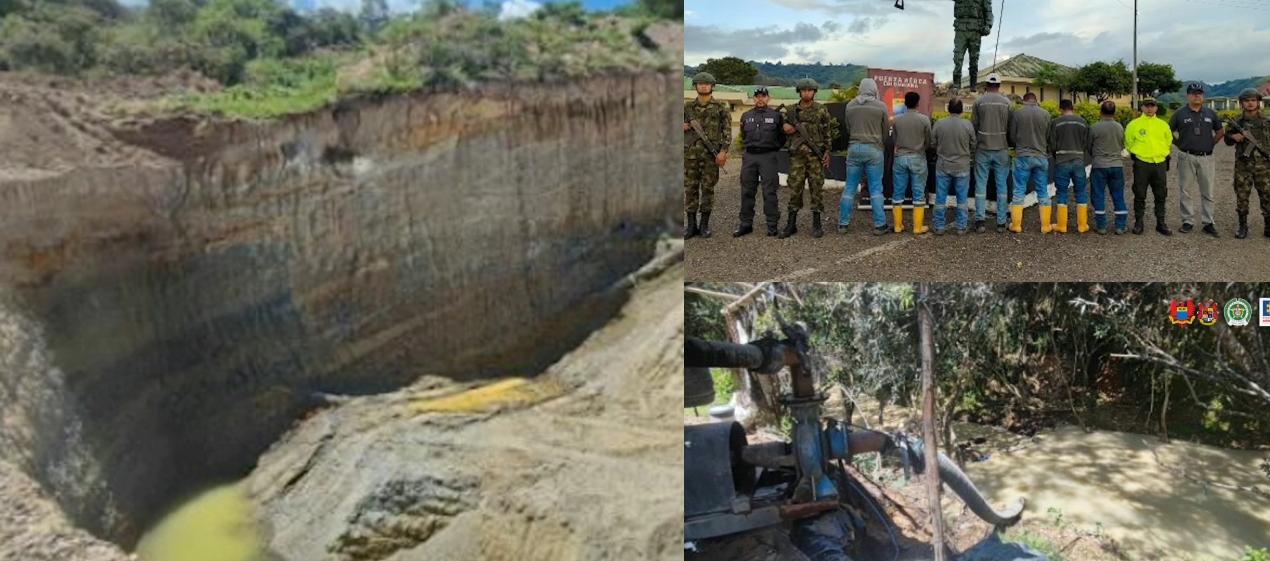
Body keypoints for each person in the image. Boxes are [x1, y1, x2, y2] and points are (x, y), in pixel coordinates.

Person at [780, 79, 833, 239]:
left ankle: (817, 224)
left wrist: (827, 151)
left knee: (816, 189)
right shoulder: (791, 110)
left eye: (810, 90)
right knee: (795, 188)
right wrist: (784, 127)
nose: (807, 93)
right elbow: (781, 127)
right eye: (804, 90)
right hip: (797, 157)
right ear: (799, 92)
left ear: (814, 92)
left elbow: (827, 133)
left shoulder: (821, 110)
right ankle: (791, 224)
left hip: (815, 157)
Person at [1169, 82, 1224, 236]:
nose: (1197, 96)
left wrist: (1211, 143)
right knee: (1186, 190)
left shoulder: (1210, 113)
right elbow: (1168, 131)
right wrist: (1179, 144)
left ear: (1203, 96)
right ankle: (1188, 221)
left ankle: (1208, 222)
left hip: (1206, 157)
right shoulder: (1179, 113)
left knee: (1208, 192)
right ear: (1188, 96)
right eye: (1193, 93)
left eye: (1199, 93)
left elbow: (1220, 131)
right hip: (1186, 156)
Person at [839, 78, 891, 235]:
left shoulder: (850, 105)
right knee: (875, 188)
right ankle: (880, 225)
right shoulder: (881, 106)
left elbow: (848, 128)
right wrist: (879, 143)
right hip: (874, 149)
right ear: (874, 89)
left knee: (850, 187)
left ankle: (843, 224)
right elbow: (885, 130)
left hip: (854, 148)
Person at [683, 72, 730, 238]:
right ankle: (691, 226)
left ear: (712, 86)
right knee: (690, 189)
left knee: (708, 189)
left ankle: (704, 225)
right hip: (690, 156)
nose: (703, 86)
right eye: (700, 84)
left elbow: (727, 132)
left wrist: (723, 152)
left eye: (706, 84)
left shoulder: (720, 107)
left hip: (711, 157)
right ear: (695, 86)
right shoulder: (687, 107)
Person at [735, 86, 786, 237]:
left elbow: (782, 137)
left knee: (769, 191)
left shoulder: (776, 116)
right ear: (753, 98)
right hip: (750, 157)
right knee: (747, 191)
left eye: (763, 96)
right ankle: (746, 224)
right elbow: (744, 135)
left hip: (768, 156)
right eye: (757, 96)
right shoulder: (746, 116)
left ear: (768, 98)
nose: (760, 99)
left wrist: (772, 148)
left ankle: (772, 225)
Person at [1224, 88, 1270, 239]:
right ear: (1241, 103)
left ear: (1258, 102)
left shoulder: (1267, 121)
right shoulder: (1236, 122)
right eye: (1246, 101)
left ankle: (1268, 226)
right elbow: (1227, 141)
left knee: (1267, 196)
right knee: (1242, 196)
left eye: (1253, 100)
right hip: (1243, 166)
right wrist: (1234, 137)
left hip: (1264, 167)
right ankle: (1242, 226)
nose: (1250, 103)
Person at [1124, 98, 1173, 235]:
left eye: (1152, 106)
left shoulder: (1163, 125)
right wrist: (1138, 153)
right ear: (1142, 108)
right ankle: (1139, 222)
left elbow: (1168, 141)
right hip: (1142, 163)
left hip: (1160, 163)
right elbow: (1128, 142)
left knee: (1161, 194)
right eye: (1147, 106)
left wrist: (1162, 153)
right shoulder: (1133, 124)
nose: (1150, 109)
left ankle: (1161, 223)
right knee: (1139, 193)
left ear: (1156, 108)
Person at [972, 74, 1012, 232]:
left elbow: (974, 125)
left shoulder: (978, 102)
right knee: (1001, 185)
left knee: (980, 185)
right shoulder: (1007, 103)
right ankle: (1001, 223)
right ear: (999, 86)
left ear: (986, 85)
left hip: (982, 148)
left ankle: (980, 221)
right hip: (1001, 148)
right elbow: (1010, 127)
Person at [932, 99, 976, 234]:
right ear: (961, 110)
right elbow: (974, 144)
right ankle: (961, 227)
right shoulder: (967, 125)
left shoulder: (939, 124)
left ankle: (939, 226)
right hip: (962, 166)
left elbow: (932, 143)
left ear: (948, 109)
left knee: (940, 197)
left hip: (943, 165)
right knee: (962, 198)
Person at [1009, 92, 1051, 233]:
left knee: (1019, 190)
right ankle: (1045, 226)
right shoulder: (1046, 114)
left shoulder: (1017, 114)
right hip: (1041, 156)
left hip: (1022, 156)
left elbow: (1012, 136)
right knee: (1043, 191)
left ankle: (1016, 225)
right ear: (1036, 100)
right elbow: (1048, 136)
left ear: (1024, 101)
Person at [891, 91, 932, 234]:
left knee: (898, 192)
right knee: (919, 193)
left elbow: (895, 140)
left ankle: (897, 226)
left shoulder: (896, 120)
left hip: (900, 158)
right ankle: (917, 227)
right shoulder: (925, 120)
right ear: (918, 103)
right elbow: (928, 141)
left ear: (905, 103)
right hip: (918, 157)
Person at [1049, 98, 1092, 233]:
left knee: (1061, 192)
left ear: (1061, 109)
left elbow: (1052, 144)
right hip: (1078, 160)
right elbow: (1086, 143)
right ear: (1073, 108)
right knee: (1080, 192)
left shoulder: (1056, 122)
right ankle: (1082, 225)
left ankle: (1062, 225)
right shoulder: (1082, 122)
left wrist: (1056, 155)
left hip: (1061, 161)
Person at [1089, 100, 1128, 234]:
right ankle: (1120, 226)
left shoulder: (1094, 127)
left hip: (1099, 165)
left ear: (1100, 111)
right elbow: (1122, 145)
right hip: (1116, 165)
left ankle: (1101, 226)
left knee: (1098, 195)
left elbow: (1088, 145)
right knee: (1118, 195)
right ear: (1114, 112)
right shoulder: (1119, 127)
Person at [951, 0, 992, 93]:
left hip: (975, 29)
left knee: (974, 59)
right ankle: (956, 85)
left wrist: (988, 25)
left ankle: (973, 86)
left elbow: (988, 10)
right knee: (958, 57)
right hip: (960, 28)